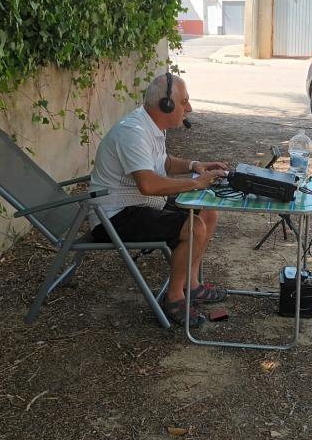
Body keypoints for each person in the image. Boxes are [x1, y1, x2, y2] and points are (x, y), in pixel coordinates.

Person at [89, 73, 228, 327]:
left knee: (207, 211)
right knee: (194, 227)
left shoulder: (151, 126)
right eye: (184, 102)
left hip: (140, 204)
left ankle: (191, 285)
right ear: (166, 104)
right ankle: (174, 298)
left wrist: (195, 165)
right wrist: (196, 182)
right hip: (113, 216)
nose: (189, 108)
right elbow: (149, 185)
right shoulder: (133, 133)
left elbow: (162, 162)